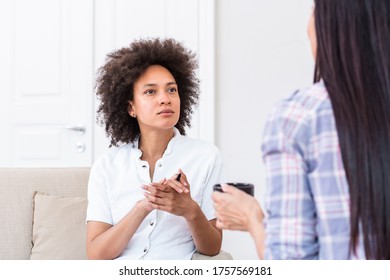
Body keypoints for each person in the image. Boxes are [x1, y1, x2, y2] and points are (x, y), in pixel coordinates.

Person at [213, 0, 390, 260]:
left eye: (313, 10)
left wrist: (253, 218)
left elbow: (290, 266)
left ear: (332, 26)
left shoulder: (299, 117)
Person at [86, 38, 225, 260]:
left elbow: (212, 248)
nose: (165, 99)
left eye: (171, 90)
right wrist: (143, 208)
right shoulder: (107, 166)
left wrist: (190, 210)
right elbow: (96, 254)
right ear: (131, 107)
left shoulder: (206, 157)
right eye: (151, 92)